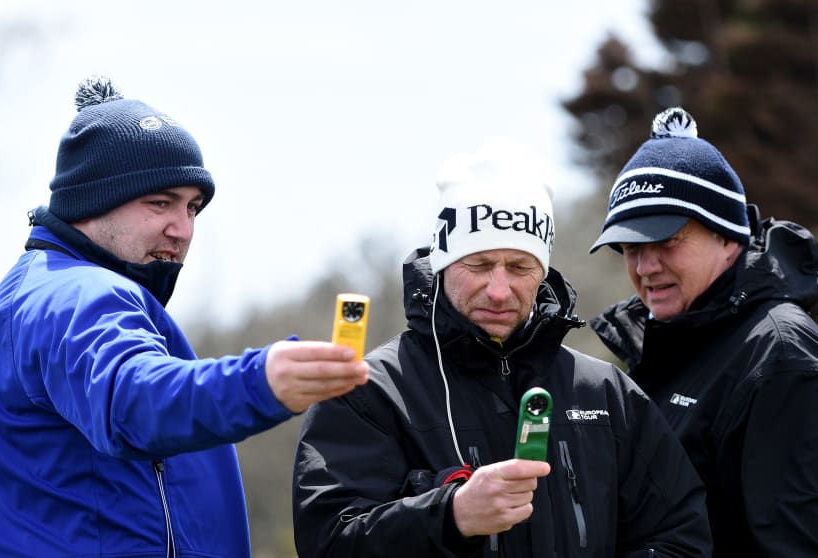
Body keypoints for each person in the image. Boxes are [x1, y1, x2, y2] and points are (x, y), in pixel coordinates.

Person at [0, 76, 369, 557]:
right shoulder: (75, 294)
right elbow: (134, 398)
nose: (182, 229)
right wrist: (256, 382)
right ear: (92, 201)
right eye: (159, 202)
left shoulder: (53, 291)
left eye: (193, 208)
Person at [292, 136, 713, 557]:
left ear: (543, 271)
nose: (499, 290)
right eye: (479, 264)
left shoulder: (605, 392)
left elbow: (681, 536)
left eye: (519, 267)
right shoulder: (369, 392)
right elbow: (329, 543)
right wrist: (450, 514)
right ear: (442, 264)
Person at [588, 107, 818, 557]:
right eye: (630, 248)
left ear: (727, 235)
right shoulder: (672, 346)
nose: (645, 267)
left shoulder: (781, 359)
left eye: (666, 241)